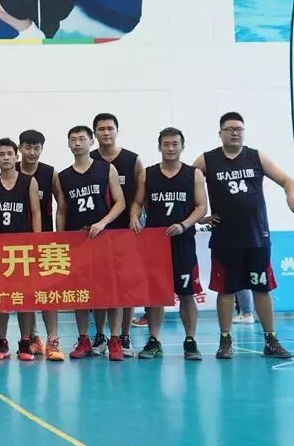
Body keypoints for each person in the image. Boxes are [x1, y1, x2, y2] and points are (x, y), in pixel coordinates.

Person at [193, 112, 292, 359]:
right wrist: (198, 213)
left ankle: (271, 340)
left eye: (239, 128)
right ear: (220, 133)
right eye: (229, 129)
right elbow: (185, 184)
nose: (235, 132)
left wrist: (290, 194)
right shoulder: (207, 160)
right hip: (225, 238)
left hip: (257, 236)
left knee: (262, 288)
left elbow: (286, 179)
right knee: (226, 290)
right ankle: (225, 340)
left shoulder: (256, 156)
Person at [130, 128, 207, 360]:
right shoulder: (148, 174)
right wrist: (134, 217)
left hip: (183, 242)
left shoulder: (194, 174)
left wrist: (184, 224)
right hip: (155, 244)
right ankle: (154, 341)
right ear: (159, 146)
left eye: (175, 144)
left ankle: (190, 341)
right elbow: (137, 202)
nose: (171, 148)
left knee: (186, 294)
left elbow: (202, 207)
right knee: (155, 295)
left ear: (182, 146)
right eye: (166, 144)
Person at [54, 125, 126, 360]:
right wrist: (61, 238)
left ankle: (115, 340)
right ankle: (84, 339)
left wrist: (103, 223)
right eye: (73, 139)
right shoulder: (63, 176)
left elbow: (120, 202)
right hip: (78, 242)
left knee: (112, 292)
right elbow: (62, 210)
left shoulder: (106, 168)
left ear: (91, 141)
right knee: (81, 293)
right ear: (68, 144)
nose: (77, 143)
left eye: (82, 139)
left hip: (105, 239)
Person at [0, 138, 43, 361]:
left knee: (24, 297)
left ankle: (25, 340)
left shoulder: (29, 182)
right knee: (1, 298)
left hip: (22, 249)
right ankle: (2, 340)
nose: (6, 157)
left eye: (10, 153)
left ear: (16, 156)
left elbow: (36, 213)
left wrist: (36, 242)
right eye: (2, 154)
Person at [91, 112, 143, 356]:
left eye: (110, 128)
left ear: (117, 131)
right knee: (100, 287)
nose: (106, 132)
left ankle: (125, 335)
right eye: (101, 129)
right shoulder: (90, 159)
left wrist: (136, 217)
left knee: (126, 287)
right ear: (95, 133)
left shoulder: (132, 160)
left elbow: (140, 196)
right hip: (98, 234)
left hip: (126, 231)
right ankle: (100, 335)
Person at [18, 128, 59, 355]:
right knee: (24, 293)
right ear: (20, 148)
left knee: (47, 292)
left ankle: (53, 339)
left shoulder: (49, 173)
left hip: (44, 243)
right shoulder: (10, 171)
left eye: (36, 148)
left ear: (42, 149)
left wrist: (59, 235)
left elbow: (63, 204)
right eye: (28, 147)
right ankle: (32, 337)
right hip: (17, 245)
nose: (32, 152)